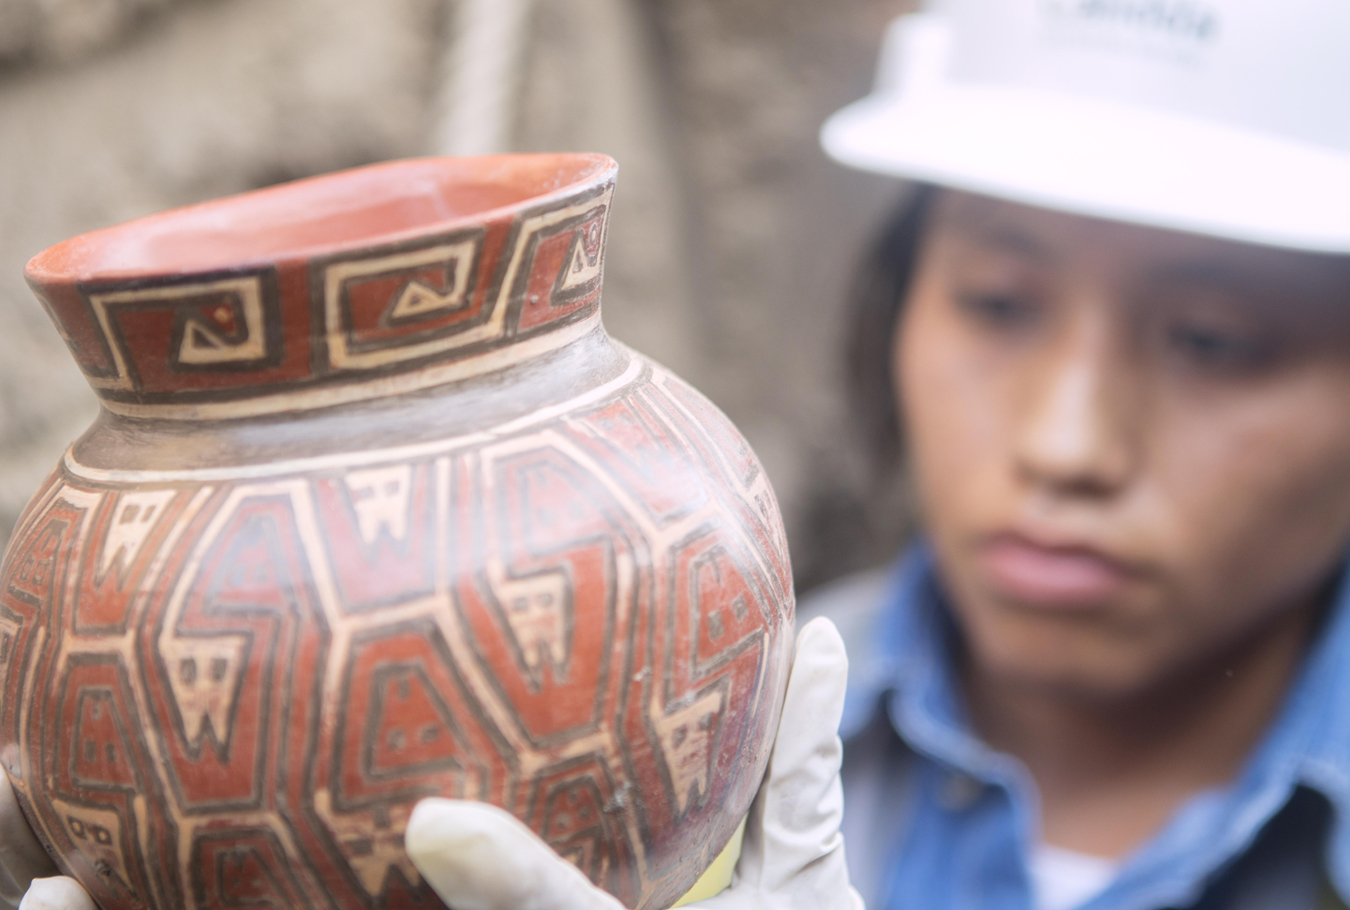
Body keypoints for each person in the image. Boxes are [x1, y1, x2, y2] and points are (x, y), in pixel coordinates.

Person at [7, 1, 1350, 909]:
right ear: (895, 305)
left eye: (1216, 341)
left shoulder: (705, 743)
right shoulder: (683, 721)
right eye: (996, 304)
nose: (1067, 443)